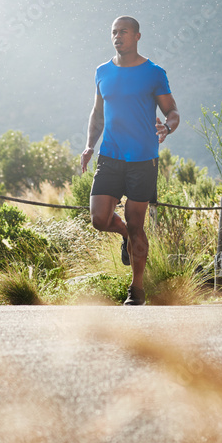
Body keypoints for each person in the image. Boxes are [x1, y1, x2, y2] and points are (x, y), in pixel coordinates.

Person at [81, 16, 179, 306]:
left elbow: (172, 110)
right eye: (113, 32)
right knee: (99, 219)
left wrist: (167, 127)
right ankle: (122, 234)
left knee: (138, 224)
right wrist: (89, 146)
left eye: (123, 31)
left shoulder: (154, 72)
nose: (117, 36)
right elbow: (97, 114)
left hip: (143, 160)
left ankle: (137, 289)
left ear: (137, 35)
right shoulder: (102, 72)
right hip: (109, 156)